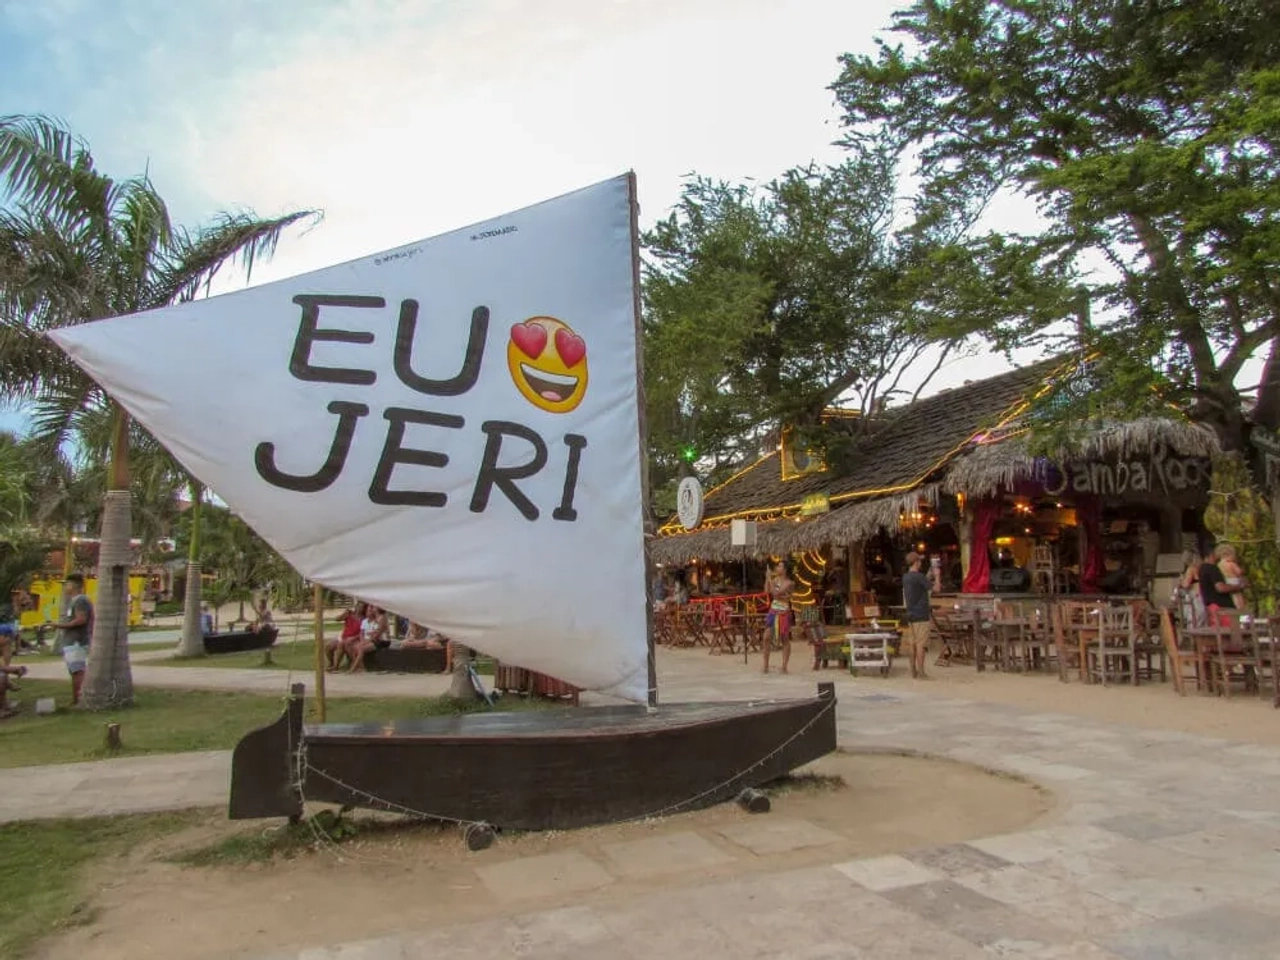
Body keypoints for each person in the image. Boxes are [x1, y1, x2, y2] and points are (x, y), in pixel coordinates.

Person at [52, 573, 93, 706]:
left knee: (77, 671)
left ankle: (80, 700)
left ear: (75, 585)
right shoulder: (74, 600)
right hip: (71, 642)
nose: (65, 587)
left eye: (67, 584)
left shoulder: (81, 600)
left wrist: (59, 625)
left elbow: (81, 619)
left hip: (77, 642)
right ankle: (75, 699)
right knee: (74, 671)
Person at [1199, 544, 1247, 627]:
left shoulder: (1202, 569)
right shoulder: (1212, 568)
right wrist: (1239, 586)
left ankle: (1245, 627)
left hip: (1212, 607)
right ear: (1211, 554)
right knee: (1244, 612)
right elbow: (1220, 588)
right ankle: (1246, 629)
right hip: (1223, 608)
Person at [902, 552, 932, 679]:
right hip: (921, 614)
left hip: (911, 613)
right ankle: (921, 672)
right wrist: (937, 576)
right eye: (919, 561)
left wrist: (928, 575)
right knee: (921, 644)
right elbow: (934, 588)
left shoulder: (906, 577)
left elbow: (921, 585)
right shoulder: (919, 577)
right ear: (916, 562)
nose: (921, 563)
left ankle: (913, 671)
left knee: (913, 643)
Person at [761, 559, 794, 674]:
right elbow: (767, 591)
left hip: (784, 612)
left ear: (785, 570)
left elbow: (776, 594)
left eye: (780, 566)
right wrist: (767, 578)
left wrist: (770, 579)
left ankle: (784, 666)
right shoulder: (775, 580)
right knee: (766, 637)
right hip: (773, 610)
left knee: (785, 639)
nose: (777, 568)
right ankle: (765, 666)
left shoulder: (789, 583)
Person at [348, 605, 389, 672]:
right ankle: (361, 667)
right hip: (376, 640)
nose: (372, 608)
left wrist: (367, 641)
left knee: (361, 648)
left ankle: (353, 668)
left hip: (383, 641)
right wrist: (366, 639)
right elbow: (374, 631)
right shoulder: (376, 618)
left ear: (378, 608)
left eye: (373, 607)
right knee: (356, 647)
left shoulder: (382, 618)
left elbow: (378, 633)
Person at [327, 603, 365, 671]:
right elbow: (337, 619)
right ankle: (331, 663)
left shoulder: (363, 619)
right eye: (358, 606)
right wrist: (344, 613)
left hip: (354, 638)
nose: (359, 608)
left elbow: (363, 632)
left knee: (341, 644)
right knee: (328, 645)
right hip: (344, 636)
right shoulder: (349, 614)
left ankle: (336, 666)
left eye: (361, 607)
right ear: (355, 606)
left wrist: (354, 637)